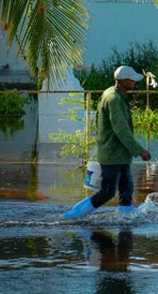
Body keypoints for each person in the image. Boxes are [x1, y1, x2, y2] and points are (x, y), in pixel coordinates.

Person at [63, 65, 151, 218]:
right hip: (112, 155)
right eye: (132, 80)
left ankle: (126, 215)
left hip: (119, 154)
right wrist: (139, 150)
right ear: (123, 81)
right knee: (107, 192)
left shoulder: (114, 95)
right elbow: (121, 129)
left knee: (126, 188)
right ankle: (72, 216)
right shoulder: (114, 99)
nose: (135, 83)